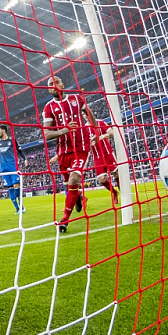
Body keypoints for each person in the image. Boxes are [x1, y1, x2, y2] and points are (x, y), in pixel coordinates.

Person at [42, 76, 97, 232]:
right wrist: (65, 129)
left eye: (57, 82)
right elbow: (47, 135)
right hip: (63, 152)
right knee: (69, 187)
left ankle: (64, 220)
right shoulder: (48, 108)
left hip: (81, 148)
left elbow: (89, 112)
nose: (55, 85)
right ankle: (78, 197)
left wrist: (96, 130)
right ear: (49, 89)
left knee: (73, 180)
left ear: (62, 83)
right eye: (51, 84)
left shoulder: (75, 98)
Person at [0, 124, 28, 214]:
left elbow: (19, 150)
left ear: (3, 130)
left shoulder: (12, 140)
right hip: (4, 169)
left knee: (16, 186)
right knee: (10, 188)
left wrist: (25, 159)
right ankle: (17, 208)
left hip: (13, 167)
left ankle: (22, 206)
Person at [91, 120, 119, 203]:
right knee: (102, 179)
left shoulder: (100, 123)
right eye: (83, 114)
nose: (85, 115)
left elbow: (112, 133)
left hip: (108, 153)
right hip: (97, 157)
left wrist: (102, 136)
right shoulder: (84, 128)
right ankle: (114, 192)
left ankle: (124, 194)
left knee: (116, 173)